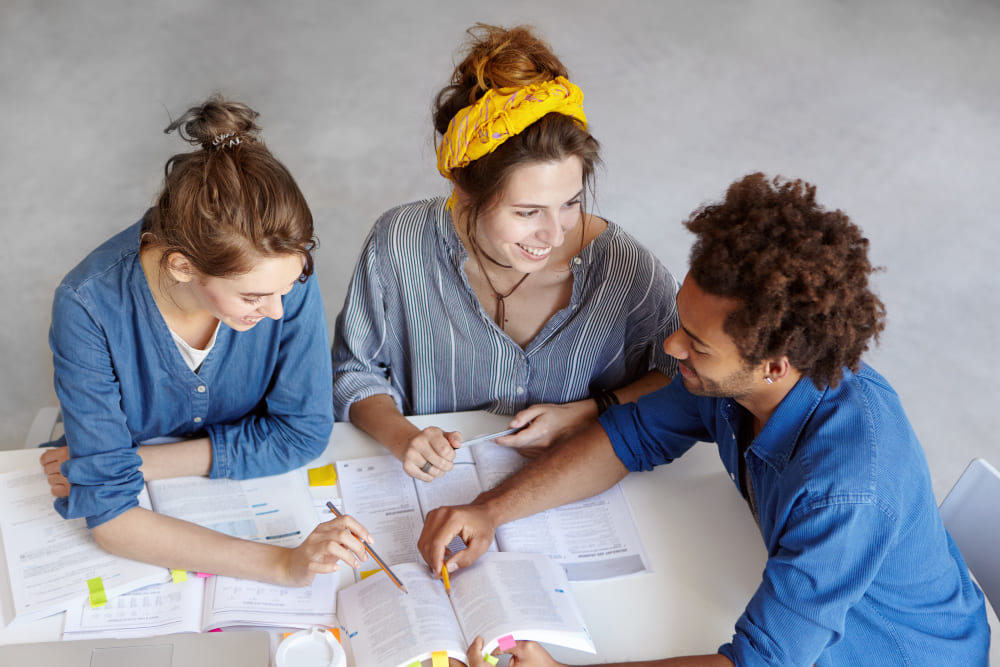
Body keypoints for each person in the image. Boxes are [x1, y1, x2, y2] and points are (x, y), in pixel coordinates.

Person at [418, 174, 991, 666]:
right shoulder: (731, 380)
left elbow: (759, 663)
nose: (672, 348)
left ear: (773, 365)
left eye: (696, 343)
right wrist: (490, 511)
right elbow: (630, 437)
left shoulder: (845, 490)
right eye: (682, 325)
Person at [39, 96, 372, 587]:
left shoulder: (280, 273)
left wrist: (133, 463)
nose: (277, 311)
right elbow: (112, 520)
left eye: (287, 288)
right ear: (182, 267)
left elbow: (302, 432)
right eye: (253, 297)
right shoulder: (87, 306)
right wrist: (282, 564)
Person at [332, 24, 678, 481]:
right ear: (464, 190)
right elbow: (356, 371)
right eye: (528, 212)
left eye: (570, 203)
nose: (553, 234)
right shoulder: (398, 243)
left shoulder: (626, 270)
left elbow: (682, 375)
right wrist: (403, 437)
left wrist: (590, 412)